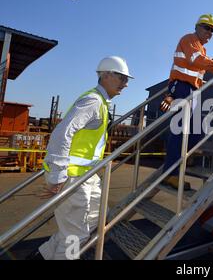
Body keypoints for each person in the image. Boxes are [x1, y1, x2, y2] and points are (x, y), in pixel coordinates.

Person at [27, 56, 134, 260]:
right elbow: (61, 134)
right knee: (76, 236)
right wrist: (57, 177)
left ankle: (42, 256)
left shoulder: (101, 102)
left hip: (87, 177)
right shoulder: (93, 101)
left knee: (94, 220)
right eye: (121, 78)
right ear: (106, 75)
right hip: (73, 179)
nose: (126, 84)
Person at [160, 14, 213, 190]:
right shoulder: (189, 40)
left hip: (192, 91)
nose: (209, 32)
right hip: (181, 88)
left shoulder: (201, 49)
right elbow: (196, 61)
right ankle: (170, 174)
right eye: (206, 28)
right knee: (180, 132)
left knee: (195, 133)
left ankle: (181, 160)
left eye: (212, 30)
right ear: (197, 27)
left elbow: (208, 67)